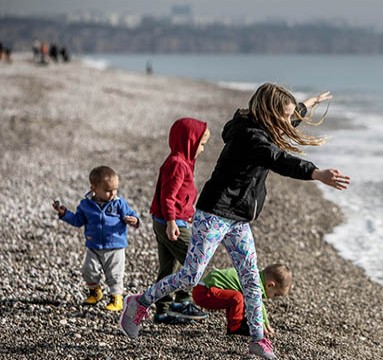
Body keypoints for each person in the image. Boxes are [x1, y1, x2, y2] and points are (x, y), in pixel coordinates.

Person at [120, 83, 350, 360]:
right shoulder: (251, 137)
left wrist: (308, 103)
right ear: (269, 113)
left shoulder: (264, 127)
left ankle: (257, 339)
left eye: (290, 117)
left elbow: (288, 121)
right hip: (215, 214)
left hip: (239, 219)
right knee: (191, 275)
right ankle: (139, 303)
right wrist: (315, 173)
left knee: (252, 280)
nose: (289, 122)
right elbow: (278, 158)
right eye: (285, 116)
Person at [53, 166, 140, 311]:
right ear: (94, 188)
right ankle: (95, 292)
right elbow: (77, 220)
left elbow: (132, 215)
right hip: (93, 245)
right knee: (88, 270)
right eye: (108, 190)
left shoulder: (118, 203)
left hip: (115, 246)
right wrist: (64, 213)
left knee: (115, 273)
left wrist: (135, 220)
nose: (113, 193)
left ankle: (116, 298)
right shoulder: (86, 205)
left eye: (115, 189)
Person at [149, 118, 210, 325]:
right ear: (189, 141)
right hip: (170, 222)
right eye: (201, 144)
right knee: (194, 260)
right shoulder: (177, 164)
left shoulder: (183, 162)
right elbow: (168, 196)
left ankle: (162, 312)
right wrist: (172, 221)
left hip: (168, 220)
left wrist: (186, 212)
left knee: (168, 268)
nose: (202, 149)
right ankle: (182, 301)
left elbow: (182, 196)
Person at [192, 263, 292, 338]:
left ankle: (235, 325)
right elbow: (256, 306)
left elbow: (259, 305)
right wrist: (260, 325)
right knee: (237, 297)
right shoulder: (254, 284)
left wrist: (266, 323)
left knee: (238, 297)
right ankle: (235, 327)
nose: (272, 298)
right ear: (270, 285)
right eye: (276, 295)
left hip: (204, 289)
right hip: (204, 292)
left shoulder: (254, 276)